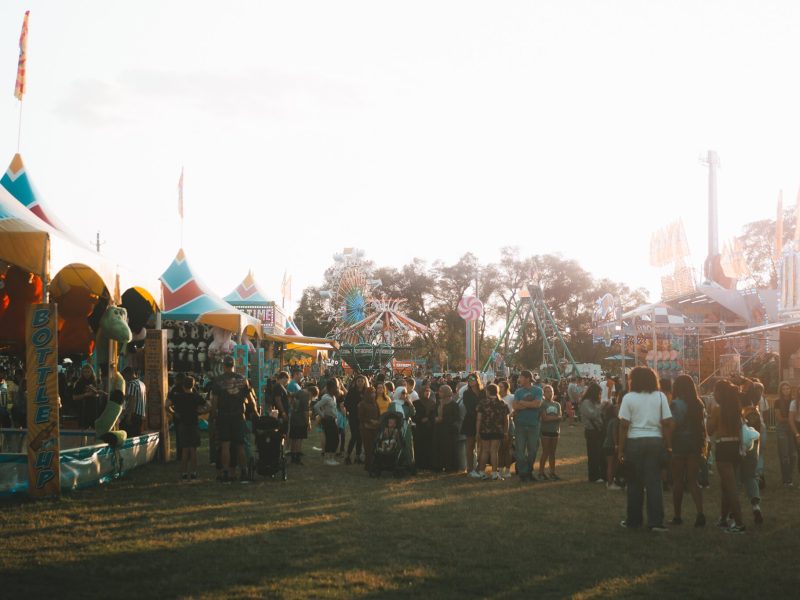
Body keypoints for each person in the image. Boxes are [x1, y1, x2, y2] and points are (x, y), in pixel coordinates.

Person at [618, 366, 672, 532]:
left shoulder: (628, 398)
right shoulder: (661, 397)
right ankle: (656, 522)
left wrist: (620, 449)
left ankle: (633, 520)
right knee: (654, 483)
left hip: (634, 441)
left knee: (634, 483)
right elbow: (666, 423)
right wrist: (668, 445)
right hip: (655, 440)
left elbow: (623, 425)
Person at [708, 379, 746, 533]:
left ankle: (739, 523)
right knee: (726, 485)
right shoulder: (736, 409)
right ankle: (723, 519)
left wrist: (709, 415)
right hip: (735, 446)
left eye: (715, 392)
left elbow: (710, 430)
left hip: (723, 447)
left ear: (719, 393)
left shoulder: (718, 410)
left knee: (730, 487)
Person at [669, 374, 707, 527]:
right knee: (693, 480)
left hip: (679, 443)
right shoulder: (698, 403)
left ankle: (677, 516)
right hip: (695, 443)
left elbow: (673, 425)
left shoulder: (676, 404)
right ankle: (700, 513)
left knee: (678, 481)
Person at [211, 355, 252, 483]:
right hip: (239, 415)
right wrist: (255, 412)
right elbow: (250, 398)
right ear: (234, 365)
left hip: (223, 416)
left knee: (225, 445)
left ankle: (225, 473)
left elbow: (214, 401)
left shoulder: (218, 380)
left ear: (223, 366)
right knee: (240, 445)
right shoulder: (242, 379)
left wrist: (213, 416)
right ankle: (244, 472)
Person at [168, 375, 207, 480]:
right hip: (193, 424)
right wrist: (201, 412)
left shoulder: (178, 397)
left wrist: (174, 412)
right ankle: (194, 472)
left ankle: (184, 473)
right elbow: (208, 406)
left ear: (183, 385)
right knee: (193, 450)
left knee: (185, 450)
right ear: (193, 385)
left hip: (183, 424)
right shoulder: (196, 396)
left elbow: (166, 405)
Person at [512, 370, 543, 483]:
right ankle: (524, 473)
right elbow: (515, 406)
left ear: (528, 378)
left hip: (533, 425)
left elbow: (537, 404)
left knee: (533, 451)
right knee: (519, 451)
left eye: (521, 377)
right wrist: (530, 405)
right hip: (520, 424)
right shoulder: (518, 391)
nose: (519, 379)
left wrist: (522, 403)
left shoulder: (538, 390)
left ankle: (528, 473)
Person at [475, 383, 510, 480]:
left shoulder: (482, 403)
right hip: (497, 430)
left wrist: (477, 432)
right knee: (494, 451)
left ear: (488, 392)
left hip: (485, 430)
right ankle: (494, 473)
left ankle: (482, 472)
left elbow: (479, 419)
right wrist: (506, 431)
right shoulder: (502, 403)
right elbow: (506, 419)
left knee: (485, 451)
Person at [580, 382, 606, 483]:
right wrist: (601, 407)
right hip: (591, 431)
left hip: (598, 430)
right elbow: (592, 414)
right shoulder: (586, 402)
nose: (600, 395)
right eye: (599, 393)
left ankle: (600, 474)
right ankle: (593, 476)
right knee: (593, 454)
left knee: (600, 454)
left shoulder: (594, 402)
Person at [462, 372, 485, 478]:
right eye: (469, 379)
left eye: (472, 379)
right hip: (470, 421)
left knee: (482, 446)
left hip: (483, 421)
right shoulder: (466, 393)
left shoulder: (483, 392)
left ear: (477, 380)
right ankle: (470, 469)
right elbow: (469, 407)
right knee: (470, 445)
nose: (470, 381)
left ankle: (480, 468)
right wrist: (478, 409)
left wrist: (479, 409)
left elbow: (485, 405)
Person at [434, 384, 462, 472]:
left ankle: (450, 467)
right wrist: (436, 418)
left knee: (449, 449)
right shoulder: (438, 403)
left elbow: (456, 417)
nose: (439, 393)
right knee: (440, 448)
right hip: (439, 429)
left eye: (441, 391)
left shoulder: (453, 404)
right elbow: (434, 414)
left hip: (450, 430)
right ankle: (439, 466)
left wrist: (444, 419)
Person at [538, 384, 562, 481]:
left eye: (551, 391)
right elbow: (545, 418)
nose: (549, 393)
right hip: (546, 431)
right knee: (545, 452)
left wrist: (552, 418)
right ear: (544, 393)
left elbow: (560, 417)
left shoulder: (557, 404)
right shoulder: (543, 404)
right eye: (547, 391)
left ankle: (552, 472)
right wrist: (555, 418)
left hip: (555, 431)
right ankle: (541, 472)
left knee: (552, 453)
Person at [774, 381, 795, 486]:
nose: (786, 391)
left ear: (791, 390)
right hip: (782, 428)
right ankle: (787, 479)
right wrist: (791, 418)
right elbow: (779, 418)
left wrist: (792, 420)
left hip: (793, 428)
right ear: (780, 391)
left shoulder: (794, 401)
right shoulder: (777, 402)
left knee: (793, 455)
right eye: (784, 389)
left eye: (788, 388)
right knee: (784, 454)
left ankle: (789, 475)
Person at [413, 381, 437, 470]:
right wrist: (420, 419)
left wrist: (429, 419)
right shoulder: (416, 403)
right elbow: (413, 415)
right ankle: (420, 464)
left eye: (429, 391)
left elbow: (434, 415)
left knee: (429, 446)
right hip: (420, 428)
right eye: (426, 391)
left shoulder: (433, 403)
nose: (428, 393)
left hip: (430, 428)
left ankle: (429, 464)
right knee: (420, 446)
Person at [315, 380, 340, 465]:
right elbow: (316, 406)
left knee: (335, 439)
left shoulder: (333, 397)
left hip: (333, 420)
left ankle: (331, 458)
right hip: (328, 420)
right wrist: (323, 416)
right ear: (331, 388)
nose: (337, 388)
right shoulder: (326, 397)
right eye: (336, 387)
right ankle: (328, 459)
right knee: (330, 439)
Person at [288, 385, 314, 465]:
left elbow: (290, 396)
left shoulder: (300, 392)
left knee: (294, 438)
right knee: (299, 439)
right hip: (300, 421)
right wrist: (308, 423)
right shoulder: (306, 396)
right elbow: (306, 412)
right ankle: (297, 457)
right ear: (311, 393)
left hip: (293, 418)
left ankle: (293, 456)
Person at [344, 375, 366, 464]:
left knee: (360, 437)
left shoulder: (366, 392)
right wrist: (353, 408)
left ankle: (357, 456)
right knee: (354, 436)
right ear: (356, 382)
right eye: (358, 381)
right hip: (353, 417)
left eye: (362, 381)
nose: (360, 383)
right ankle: (348, 456)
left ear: (364, 382)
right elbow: (346, 403)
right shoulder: (352, 391)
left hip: (362, 418)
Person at [359, 386, 380, 472]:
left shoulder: (375, 403)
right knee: (368, 447)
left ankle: (373, 464)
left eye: (374, 392)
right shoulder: (362, 404)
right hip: (365, 428)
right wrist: (370, 421)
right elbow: (360, 417)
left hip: (375, 428)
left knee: (374, 447)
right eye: (372, 393)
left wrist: (377, 421)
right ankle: (368, 466)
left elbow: (378, 414)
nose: (373, 394)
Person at [120, 366, 147, 437]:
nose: (124, 379)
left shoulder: (132, 384)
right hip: (140, 415)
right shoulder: (142, 384)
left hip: (133, 415)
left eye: (124, 376)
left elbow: (132, 401)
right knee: (136, 436)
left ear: (129, 374)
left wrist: (129, 416)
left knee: (125, 434)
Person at [72, 364, 102, 428]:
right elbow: (74, 397)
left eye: (88, 372)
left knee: (95, 429)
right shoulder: (79, 383)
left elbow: (99, 394)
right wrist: (85, 395)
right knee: (83, 429)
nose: (86, 374)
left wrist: (96, 393)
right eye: (85, 372)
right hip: (83, 411)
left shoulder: (96, 382)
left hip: (95, 410)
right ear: (82, 373)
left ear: (91, 372)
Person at [498, 380, 515, 479]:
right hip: (498, 425)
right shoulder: (497, 398)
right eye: (498, 386)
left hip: (509, 424)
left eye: (501, 386)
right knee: (500, 449)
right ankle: (500, 469)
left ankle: (508, 470)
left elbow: (516, 407)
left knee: (508, 448)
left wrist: (511, 414)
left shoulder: (511, 397)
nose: (499, 388)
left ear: (506, 388)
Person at [602, 402, 621, 490]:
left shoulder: (609, 420)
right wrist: (616, 444)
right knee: (611, 465)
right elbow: (614, 433)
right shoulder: (615, 420)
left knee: (612, 465)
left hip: (607, 444)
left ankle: (610, 481)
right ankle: (610, 483)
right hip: (611, 445)